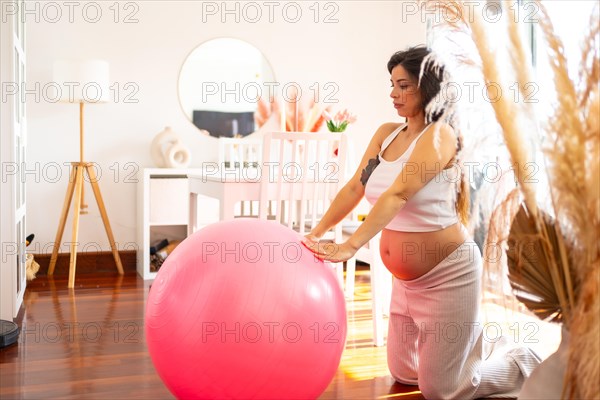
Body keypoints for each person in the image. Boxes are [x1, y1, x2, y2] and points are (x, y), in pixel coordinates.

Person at [302, 46, 541, 399]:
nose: (393, 94)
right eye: (392, 85)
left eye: (403, 86)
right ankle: (474, 340)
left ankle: (522, 359)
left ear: (427, 88)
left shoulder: (440, 136)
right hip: (405, 283)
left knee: (442, 390)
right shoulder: (387, 134)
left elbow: (398, 194)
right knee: (403, 372)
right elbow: (356, 186)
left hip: (449, 276)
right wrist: (316, 233)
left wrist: (351, 246)